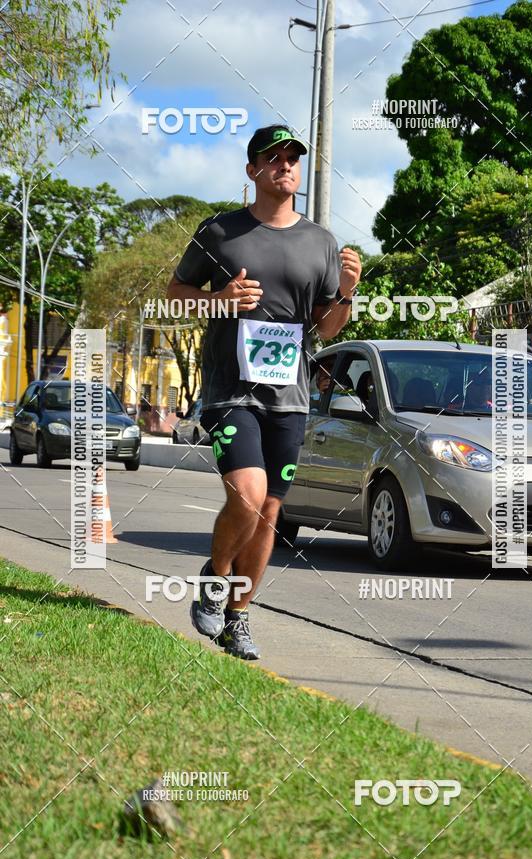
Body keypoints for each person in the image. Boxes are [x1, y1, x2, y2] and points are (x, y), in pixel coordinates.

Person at [167, 124, 362, 659]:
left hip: (290, 397)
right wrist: (221, 299)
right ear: (252, 170)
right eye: (272, 159)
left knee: (270, 513)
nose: (284, 166)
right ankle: (215, 576)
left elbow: (325, 328)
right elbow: (176, 295)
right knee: (248, 495)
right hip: (232, 391)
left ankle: (237, 615)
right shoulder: (220, 232)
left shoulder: (321, 241)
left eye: (292, 159)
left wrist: (346, 293)